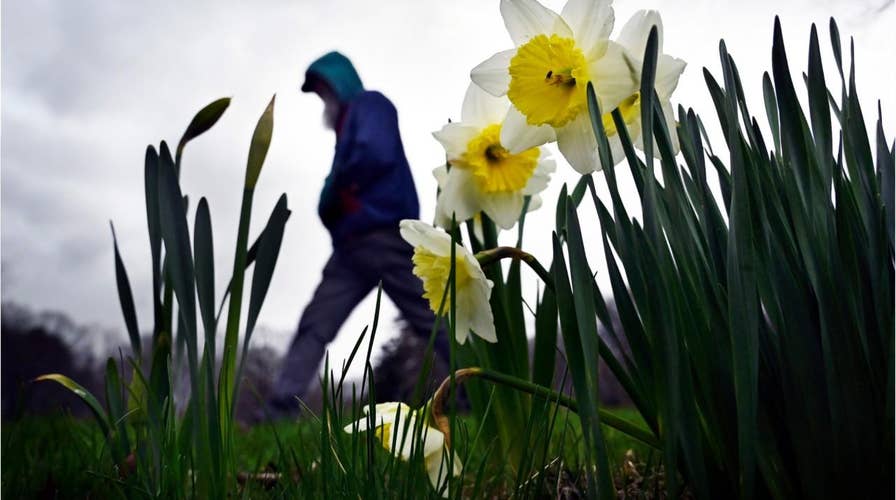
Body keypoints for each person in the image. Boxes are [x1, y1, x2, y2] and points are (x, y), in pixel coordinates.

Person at [269, 51, 447, 416]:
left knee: (432, 318)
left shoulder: (370, 106)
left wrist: (335, 191)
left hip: (385, 236)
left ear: (340, 84)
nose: (324, 102)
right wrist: (333, 196)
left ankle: (490, 389)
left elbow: (373, 154)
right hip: (350, 251)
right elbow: (334, 193)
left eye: (325, 92)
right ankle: (279, 410)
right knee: (315, 323)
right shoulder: (344, 131)